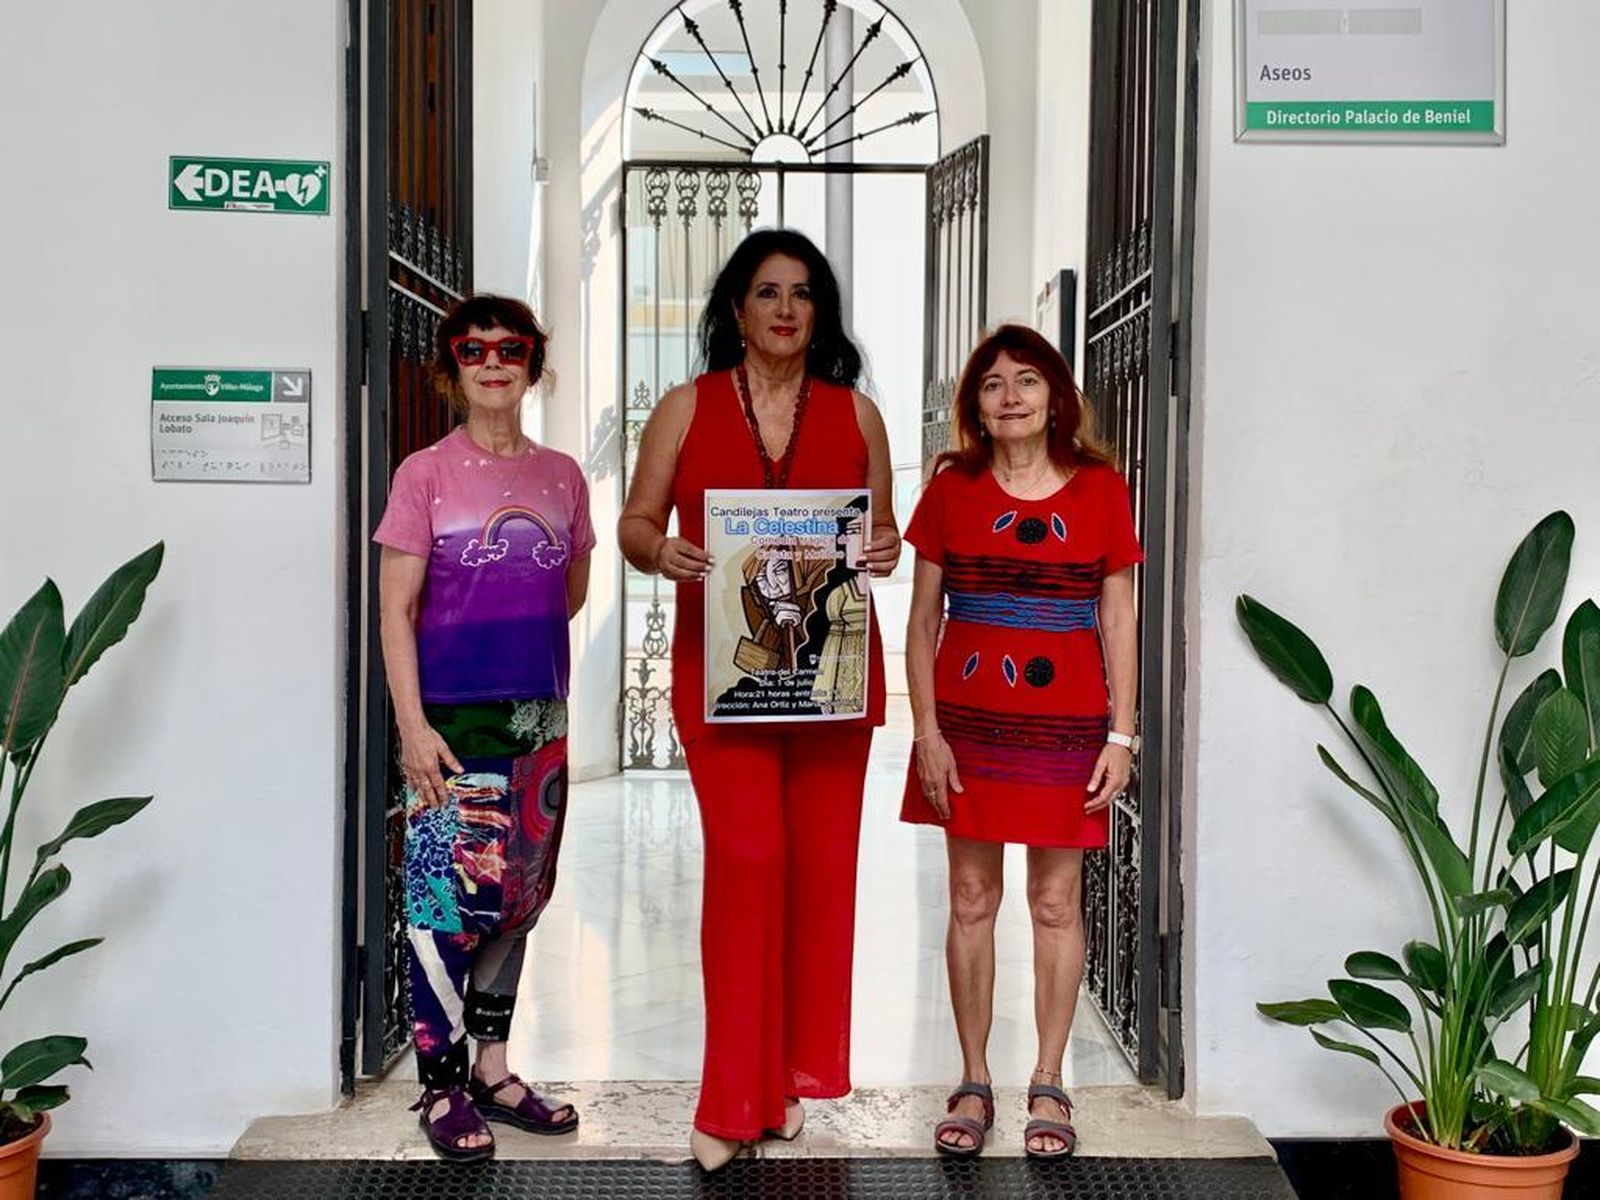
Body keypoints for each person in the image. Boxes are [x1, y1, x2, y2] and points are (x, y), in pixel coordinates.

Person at [618, 229, 900, 1171]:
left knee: (818, 881)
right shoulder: (684, 407)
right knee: (748, 862)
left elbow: (883, 532)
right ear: (736, 308)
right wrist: (660, 552)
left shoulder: (858, 415)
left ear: (820, 312)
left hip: (829, 683)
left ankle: (786, 1083)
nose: (786, 308)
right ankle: (730, 1096)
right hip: (725, 678)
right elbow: (635, 523)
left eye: (803, 293)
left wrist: (884, 549)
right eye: (767, 291)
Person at [901, 324, 1141, 1160]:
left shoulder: (1101, 489)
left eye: (1027, 380)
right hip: (967, 725)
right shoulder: (950, 489)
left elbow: (1119, 615)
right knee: (971, 899)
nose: (1010, 396)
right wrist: (926, 732)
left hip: (1068, 725)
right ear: (976, 404)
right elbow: (923, 617)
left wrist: (1123, 734)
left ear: (1055, 397)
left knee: (1053, 902)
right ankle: (972, 1077)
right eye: (994, 383)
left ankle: (1049, 1080)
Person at [373, 294, 593, 1162]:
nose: (493, 361)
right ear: (451, 367)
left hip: (540, 724)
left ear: (534, 362)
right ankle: (439, 1086)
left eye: (511, 348)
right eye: (474, 349)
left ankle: (494, 1073)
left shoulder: (564, 476)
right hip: (452, 729)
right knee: (444, 911)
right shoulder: (425, 474)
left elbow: (569, 592)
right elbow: (396, 614)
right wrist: (413, 727)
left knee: (515, 906)